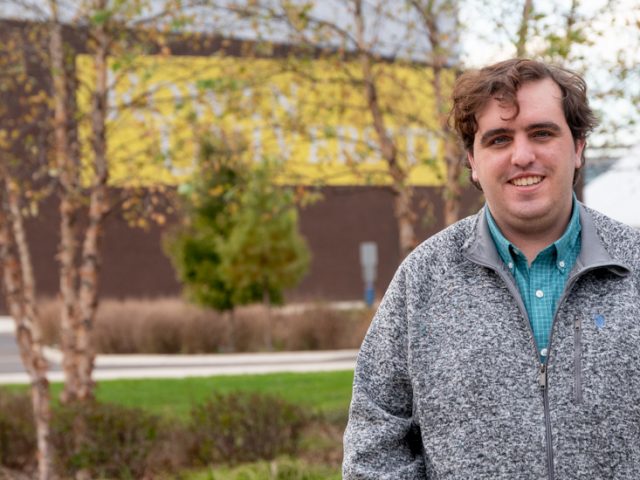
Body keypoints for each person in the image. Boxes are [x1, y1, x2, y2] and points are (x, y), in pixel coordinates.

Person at [342, 58, 640, 479]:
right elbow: (376, 444)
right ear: (473, 161)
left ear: (577, 147)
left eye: (542, 133)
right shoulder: (422, 281)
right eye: (499, 139)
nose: (523, 155)